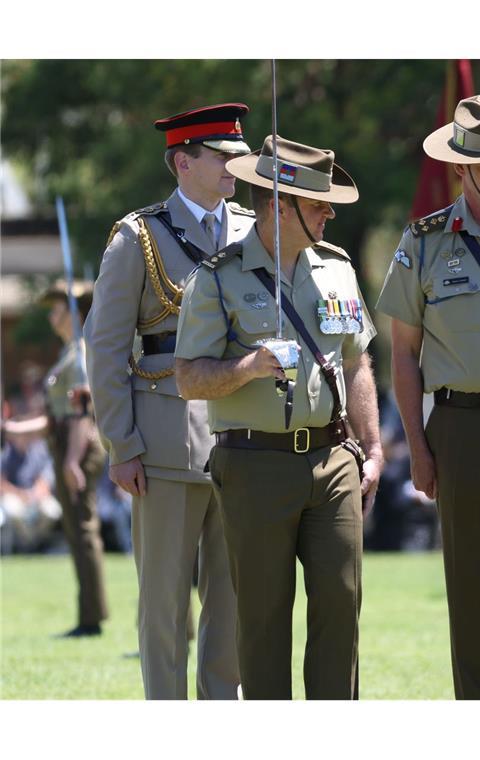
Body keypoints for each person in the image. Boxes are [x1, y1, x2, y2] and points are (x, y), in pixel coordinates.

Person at [174, 135, 384, 699]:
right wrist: (248, 366)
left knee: (342, 606)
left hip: (335, 460)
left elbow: (357, 360)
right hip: (253, 463)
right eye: (318, 202)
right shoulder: (216, 277)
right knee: (264, 619)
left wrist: (373, 446)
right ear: (277, 205)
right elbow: (188, 377)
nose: (330, 212)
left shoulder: (338, 268)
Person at [375, 95, 480, 700]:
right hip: (463, 428)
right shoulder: (423, 242)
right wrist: (418, 447)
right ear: (461, 170)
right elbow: (402, 354)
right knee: (471, 591)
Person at [85, 103, 250, 699]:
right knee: (163, 608)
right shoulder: (139, 237)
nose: (238, 163)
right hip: (162, 443)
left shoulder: (256, 230)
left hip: (242, 437)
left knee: (232, 605)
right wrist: (121, 444)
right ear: (184, 162)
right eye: (224, 155)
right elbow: (103, 347)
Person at [41, 280, 109, 637]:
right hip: (66, 441)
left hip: (77, 444)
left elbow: (83, 411)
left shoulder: (80, 351)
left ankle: (91, 618)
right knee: (77, 529)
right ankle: (89, 613)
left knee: (83, 531)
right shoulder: (70, 350)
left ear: (72, 312)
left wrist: (71, 459)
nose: (52, 315)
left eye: (57, 308)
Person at [0, 416, 60, 555]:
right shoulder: (6, 453)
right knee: (12, 509)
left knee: (52, 511)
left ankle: (33, 544)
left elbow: (44, 481)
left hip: (35, 497)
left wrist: (34, 494)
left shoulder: (39, 451)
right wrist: (20, 494)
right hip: (14, 497)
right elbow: (1, 483)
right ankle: (28, 546)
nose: (23, 437)